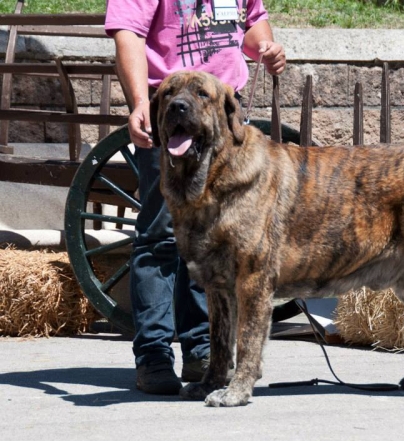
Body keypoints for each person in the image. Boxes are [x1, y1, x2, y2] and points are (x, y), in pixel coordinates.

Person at [105, 0, 286, 395]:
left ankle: (203, 351)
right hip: (169, 111)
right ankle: (153, 356)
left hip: (222, 116)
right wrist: (139, 104)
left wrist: (267, 49)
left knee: (216, 246)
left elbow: (252, 26)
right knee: (160, 238)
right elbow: (128, 35)